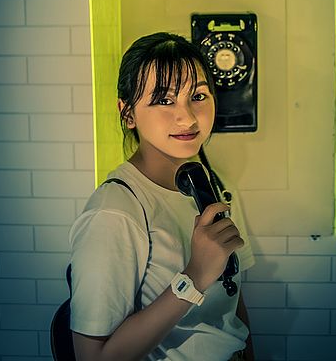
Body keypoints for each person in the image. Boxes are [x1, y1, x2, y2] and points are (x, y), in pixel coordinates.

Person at [69, 32, 256, 361]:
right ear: (127, 114)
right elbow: (92, 357)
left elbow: (233, 300)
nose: (187, 117)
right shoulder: (115, 212)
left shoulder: (211, 184)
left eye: (198, 95)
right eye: (163, 100)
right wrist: (195, 275)